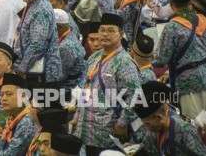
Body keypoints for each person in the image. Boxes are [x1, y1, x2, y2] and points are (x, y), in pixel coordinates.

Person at [72, 13, 141, 156]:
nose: (105, 34)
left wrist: (122, 123)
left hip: (107, 132)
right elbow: (86, 88)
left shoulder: (124, 62)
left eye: (111, 31)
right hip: (85, 128)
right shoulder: (94, 57)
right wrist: (77, 115)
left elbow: (135, 96)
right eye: (102, 30)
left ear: (121, 34)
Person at [153, 0, 206, 120]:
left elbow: (160, 59)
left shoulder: (172, 27)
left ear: (171, 4)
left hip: (188, 84)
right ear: (191, 1)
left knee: (196, 126)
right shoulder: (203, 19)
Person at [14, 0, 62, 89]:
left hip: (40, 74)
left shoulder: (41, 9)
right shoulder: (33, 3)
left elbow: (37, 45)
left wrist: (21, 68)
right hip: (33, 69)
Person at [132, 81, 206, 155]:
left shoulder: (184, 131)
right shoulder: (154, 131)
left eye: (147, 124)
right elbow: (146, 150)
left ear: (158, 117)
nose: (147, 128)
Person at [0, 73, 38, 155]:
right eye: (1, 95)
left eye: (9, 94)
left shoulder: (28, 121)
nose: (4, 99)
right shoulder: (11, 115)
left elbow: (11, 154)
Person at [54, 9, 86, 91]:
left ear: (59, 27)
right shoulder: (70, 33)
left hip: (67, 90)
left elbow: (58, 78)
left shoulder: (65, 47)